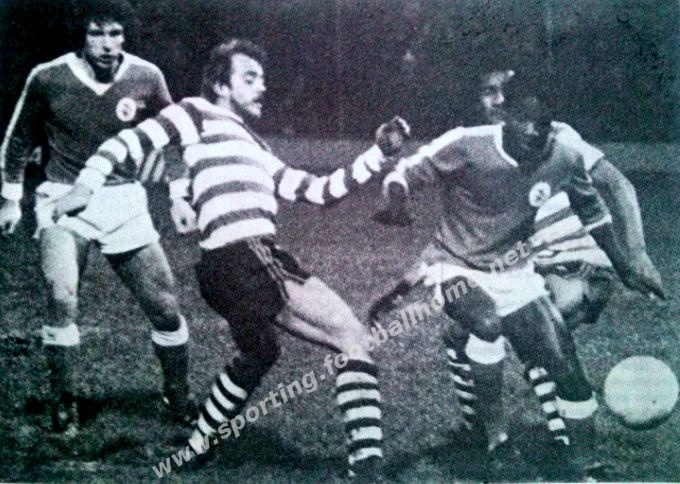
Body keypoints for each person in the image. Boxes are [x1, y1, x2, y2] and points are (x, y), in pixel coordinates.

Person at [51, 39, 410, 478]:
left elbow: (319, 192)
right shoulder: (196, 112)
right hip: (244, 256)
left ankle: (197, 448)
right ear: (221, 86)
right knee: (352, 337)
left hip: (227, 268)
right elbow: (128, 141)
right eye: (250, 78)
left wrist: (378, 154)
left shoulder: (255, 145)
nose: (263, 87)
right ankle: (366, 467)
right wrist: (85, 185)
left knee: (260, 353)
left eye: (263, 78)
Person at [376, 79, 664, 479]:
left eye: (542, 123)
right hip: (455, 265)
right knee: (485, 322)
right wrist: (396, 205)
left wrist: (627, 266)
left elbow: (594, 213)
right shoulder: (467, 144)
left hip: (516, 273)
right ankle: (498, 442)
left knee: (565, 365)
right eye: (523, 119)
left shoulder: (563, 157)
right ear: (504, 115)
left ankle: (587, 466)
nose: (532, 130)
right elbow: (403, 173)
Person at [0, 0, 195, 435]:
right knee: (62, 295)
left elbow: (173, 135)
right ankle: (63, 400)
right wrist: (11, 198)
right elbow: (17, 138)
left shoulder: (147, 76)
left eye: (115, 33)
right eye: (97, 33)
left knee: (165, 307)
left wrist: (180, 196)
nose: (107, 44)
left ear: (126, 35)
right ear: (82, 35)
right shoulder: (48, 77)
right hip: (62, 198)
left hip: (124, 201)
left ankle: (177, 394)